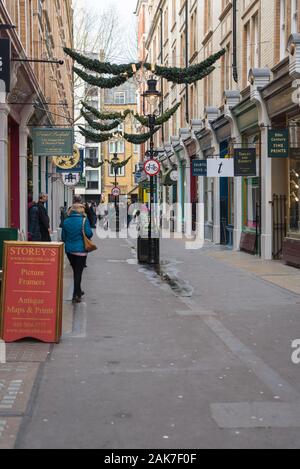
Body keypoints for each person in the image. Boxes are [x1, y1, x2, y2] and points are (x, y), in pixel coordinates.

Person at [62, 202, 93, 304]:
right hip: (81, 250)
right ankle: (76, 295)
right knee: (78, 273)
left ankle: (79, 291)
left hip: (69, 251)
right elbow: (89, 234)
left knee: (75, 271)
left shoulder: (66, 221)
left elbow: (63, 238)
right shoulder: (84, 220)